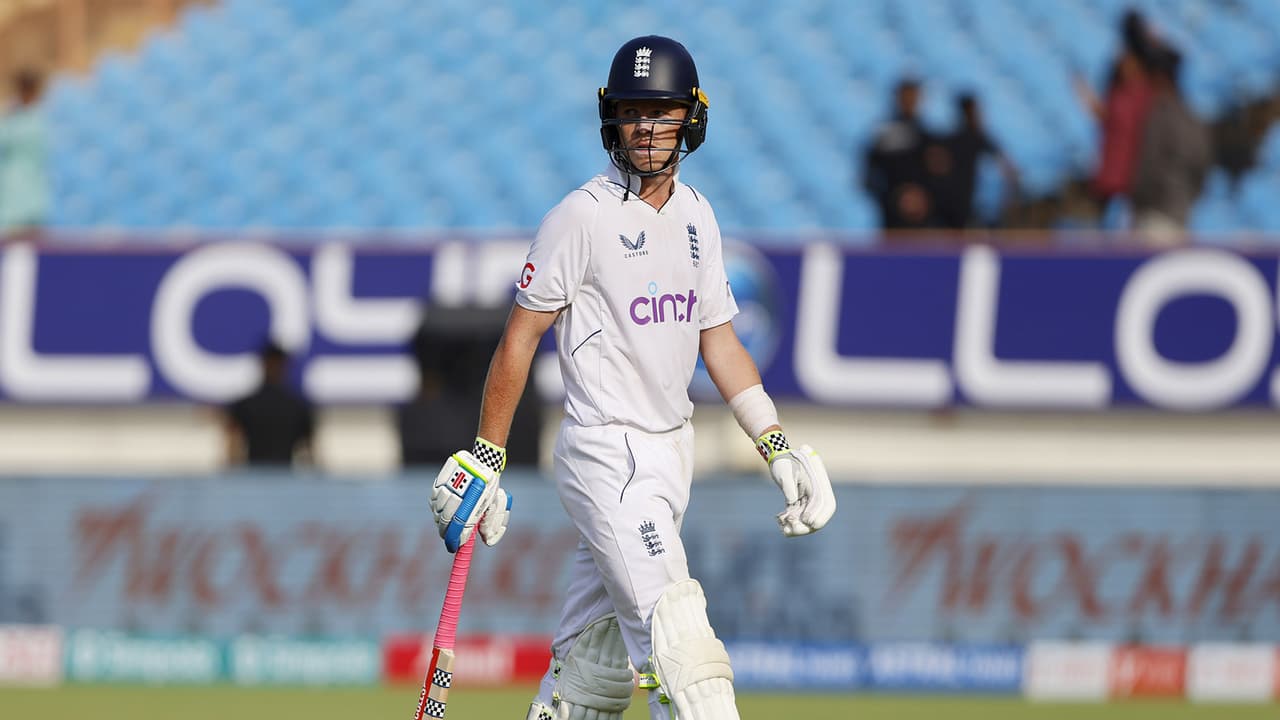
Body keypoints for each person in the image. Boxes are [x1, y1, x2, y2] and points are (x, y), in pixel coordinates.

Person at [427, 36, 836, 720]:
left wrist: (777, 445)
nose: (646, 127)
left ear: (691, 119)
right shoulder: (580, 216)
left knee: (588, 680)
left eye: (661, 111)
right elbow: (519, 338)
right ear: (611, 119)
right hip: (605, 451)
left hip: (670, 455)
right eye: (632, 112)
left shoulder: (698, 216)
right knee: (687, 657)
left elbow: (720, 340)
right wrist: (487, 455)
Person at [1131, 48, 1211, 245]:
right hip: (1181, 212)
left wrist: (1139, 198)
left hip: (1155, 213)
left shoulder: (1161, 113)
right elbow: (1202, 164)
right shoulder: (1191, 114)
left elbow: (1148, 164)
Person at [931, 93, 1018, 230]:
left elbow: (1008, 168)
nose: (979, 116)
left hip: (968, 205)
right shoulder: (961, 139)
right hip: (957, 204)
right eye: (975, 111)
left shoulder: (977, 138)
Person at [223, 341, 315, 467]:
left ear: (263, 363)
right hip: (285, 479)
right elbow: (310, 454)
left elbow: (232, 450)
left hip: (253, 478)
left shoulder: (245, 405)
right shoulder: (298, 406)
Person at [862, 76, 936, 230]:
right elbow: (870, 175)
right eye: (906, 96)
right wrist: (896, 197)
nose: (910, 101)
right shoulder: (884, 134)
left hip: (924, 221)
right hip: (892, 218)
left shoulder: (927, 136)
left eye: (913, 96)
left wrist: (922, 197)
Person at [0, 69, 50, 239]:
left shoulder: (36, 119)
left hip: (30, 192)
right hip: (14, 192)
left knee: (30, 238)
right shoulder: (13, 118)